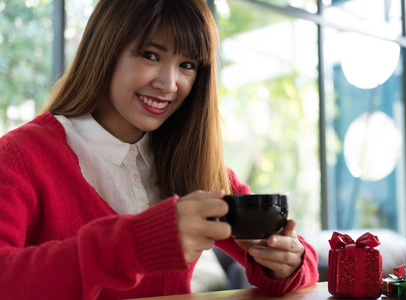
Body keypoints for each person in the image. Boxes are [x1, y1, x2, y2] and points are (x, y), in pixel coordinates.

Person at [0, 0, 319, 299]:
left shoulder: (191, 160)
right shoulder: (20, 155)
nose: (169, 84)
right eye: (151, 55)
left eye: (187, 64)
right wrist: (138, 243)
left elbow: (300, 269)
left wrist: (285, 261)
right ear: (106, 49)